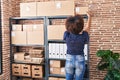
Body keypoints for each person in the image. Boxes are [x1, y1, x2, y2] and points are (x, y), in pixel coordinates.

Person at [63, 11, 92, 80]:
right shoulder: (84, 36)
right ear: (81, 26)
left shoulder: (66, 34)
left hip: (69, 59)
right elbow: (88, 28)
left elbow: (68, 28)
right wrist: (90, 17)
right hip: (80, 59)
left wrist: (73, 18)